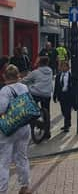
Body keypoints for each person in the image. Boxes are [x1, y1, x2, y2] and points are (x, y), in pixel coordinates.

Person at [0, 64, 32, 194]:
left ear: (4, 76)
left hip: (8, 129)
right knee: (22, 157)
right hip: (24, 127)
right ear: (18, 75)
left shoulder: (5, 91)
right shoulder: (24, 87)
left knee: (4, 161)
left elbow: (1, 109)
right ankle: (25, 186)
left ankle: (2, 190)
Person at [21, 57, 53, 139]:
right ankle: (47, 132)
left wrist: (18, 80)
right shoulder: (50, 71)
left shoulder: (35, 72)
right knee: (47, 110)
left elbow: (25, 80)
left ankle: (36, 121)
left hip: (36, 93)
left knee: (30, 107)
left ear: (39, 63)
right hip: (47, 94)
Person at [53, 61, 76, 132]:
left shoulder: (71, 76)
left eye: (64, 66)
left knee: (67, 111)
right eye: (61, 66)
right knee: (63, 110)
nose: (63, 68)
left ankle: (66, 125)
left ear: (68, 67)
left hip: (68, 95)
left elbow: (74, 87)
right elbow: (56, 86)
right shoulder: (58, 76)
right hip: (61, 95)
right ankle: (68, 123)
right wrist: (55, 95)